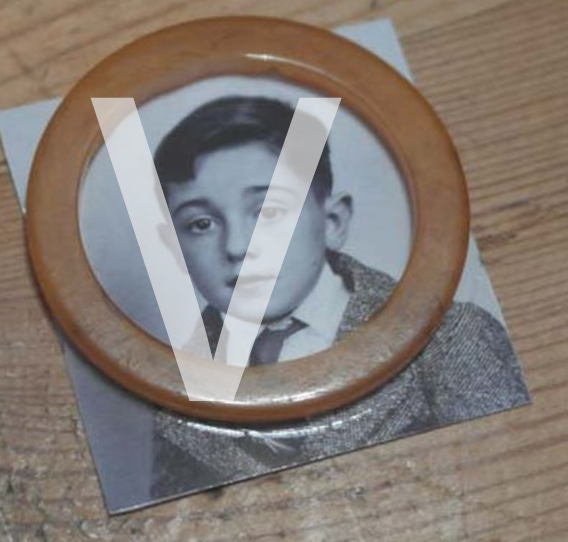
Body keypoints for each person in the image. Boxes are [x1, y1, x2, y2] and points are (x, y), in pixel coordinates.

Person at [149, 95, 529, 497]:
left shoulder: (450, 337)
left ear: (333, 222)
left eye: (268, 212)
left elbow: (506, 481)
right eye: (201, 224)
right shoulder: (177, 383)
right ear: (174, 249)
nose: (237, 246)